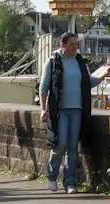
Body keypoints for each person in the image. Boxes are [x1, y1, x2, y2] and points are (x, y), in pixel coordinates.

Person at [38, 31, 93, 192]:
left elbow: (89, 82)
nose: (75, 47)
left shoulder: (80, 62)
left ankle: (70, 182)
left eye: (77, 44)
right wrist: (42, 109)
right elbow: (44, 87)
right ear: (63, 45)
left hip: (77, 109)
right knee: (60, 144)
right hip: (60, 110)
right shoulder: (53, 61)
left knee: (72, 147)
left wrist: (104, 74)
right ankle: (52, 176)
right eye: (72, 44)